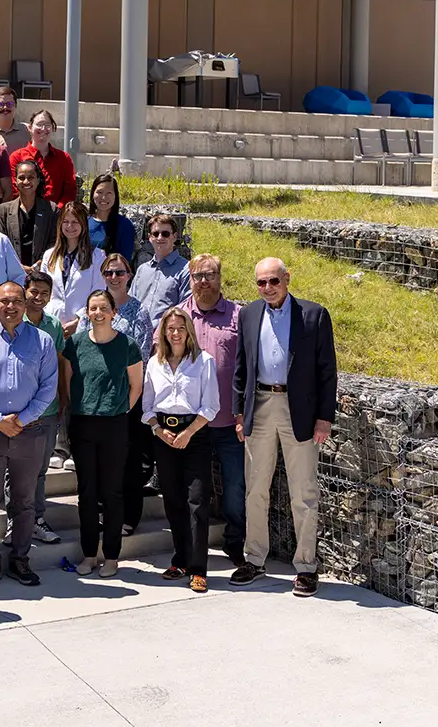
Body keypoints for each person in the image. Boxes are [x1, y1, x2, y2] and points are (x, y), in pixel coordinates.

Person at [230, 257, 338, 596]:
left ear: (287, 279)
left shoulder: (313, 315)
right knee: (255, 488)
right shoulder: (247, 314)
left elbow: (326, 371)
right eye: (261, 283)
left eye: (273, 281)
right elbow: (241, 368)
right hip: (259, 406)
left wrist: (324, 417)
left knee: (303, 492)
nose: (267, 288)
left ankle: (306, 566)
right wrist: (238, 414)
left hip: (299, 410)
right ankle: (254, 558)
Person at [0, 281, 58, 588]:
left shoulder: (43, 341)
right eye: (4, 301)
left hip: (30, 432)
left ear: (25, 303)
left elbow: (48, 387)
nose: (11, 306)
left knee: (24, 501)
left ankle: (20, 559)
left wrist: (23, 418)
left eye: (16, 300)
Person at [64, 289, 143, 576]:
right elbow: (68, 383)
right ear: (87, 313)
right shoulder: (75, 344)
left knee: (112, 492)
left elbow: (136, 386)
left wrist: (120, 410)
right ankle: (88, 555)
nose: (97, 313)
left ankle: (111, 556)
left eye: (103, 308)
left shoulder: (128, 345)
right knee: (86, 492)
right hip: (83, 424)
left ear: (113, 312)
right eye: (92, 308)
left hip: (115, 425)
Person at [143, 305, 220, 594]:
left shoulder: (204, 362)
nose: (175, 333)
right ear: (163, 332)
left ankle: (199, 569)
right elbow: (147, 406)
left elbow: (211, 405)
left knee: (197, 502)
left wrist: (188, 433)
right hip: (163, 436)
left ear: (189, 330)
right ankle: (181, 561)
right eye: (169, 328)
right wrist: (158, 430)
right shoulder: (155, 363)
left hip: (195, 436)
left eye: (180, 328)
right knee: (173, 502)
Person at [122, 211, 188, 532]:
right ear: (148, 237)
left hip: (164, 355)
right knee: (142, 414)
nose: (160, 238)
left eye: (166, 233)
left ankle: (160, 473)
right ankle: (146, 471)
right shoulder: (143, 270)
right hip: (138, 356)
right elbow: (133, 305)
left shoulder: (184, 271)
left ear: (175, 236)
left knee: (162, 413)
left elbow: (184, 312)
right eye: (155, 233)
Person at [180, 253, 245, 566]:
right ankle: (193, 546)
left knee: (234, 487)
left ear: (220, 278)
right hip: (190, 423)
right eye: (197, 276)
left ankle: (234, 542)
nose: (203, 281)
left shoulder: (237, 317)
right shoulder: (179, 315)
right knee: (194, 490)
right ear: (190, 279)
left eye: (210, 275)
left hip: (229, 421)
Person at [15, 271, 68, 546]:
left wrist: (63, 397)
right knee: (16, 470)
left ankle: (37, 519)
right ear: (25, 291)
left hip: (47, 411)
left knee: (40, 470)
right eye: (34, 291)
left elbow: (59, 364)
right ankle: (17, 522)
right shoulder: (12, 320)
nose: (38, 297)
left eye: (44, 293)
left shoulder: (54, 326)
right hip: (18, 411)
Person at [41, 200, 106, 324]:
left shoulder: (97, 256)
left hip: (82, 325)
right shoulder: (49, 255)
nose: (70, 226)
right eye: (65, 222)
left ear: (84, 225)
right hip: (51, 323)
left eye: (75, 222)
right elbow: (43, 290)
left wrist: (78, 320)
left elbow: (98, 294)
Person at [0, 158, 56, 272]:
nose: (26, 182)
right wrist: (18, 266)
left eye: (31, 177)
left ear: (38, 180)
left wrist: (41, 263)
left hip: (43, 272)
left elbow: (55, 241)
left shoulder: (52, 209)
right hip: (11, 272)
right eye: (21, 178)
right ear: (15, 181)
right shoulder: (3, 210)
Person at [7, 110, 77, 208]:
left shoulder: (64, 158)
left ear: (53, 128)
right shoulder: (16, 157)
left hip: (56, 215)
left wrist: (57, 211)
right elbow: (14, 188)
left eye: (47, 125)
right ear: (30, 128)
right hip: (25, 212)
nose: (43, 129)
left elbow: (70, 190)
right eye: (39, 124)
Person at [86, 172, 135, 263]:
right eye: (99, 192)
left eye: (109, 193)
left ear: (115, 196)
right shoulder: (83, 222)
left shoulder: (124, 225)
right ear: (92, 194)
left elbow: (125, 261)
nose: (103, 197)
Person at [0, 85, 30, 175]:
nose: (5, 108)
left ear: (15, 105)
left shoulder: (26, 131)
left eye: (9, 104)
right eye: (0, 104)